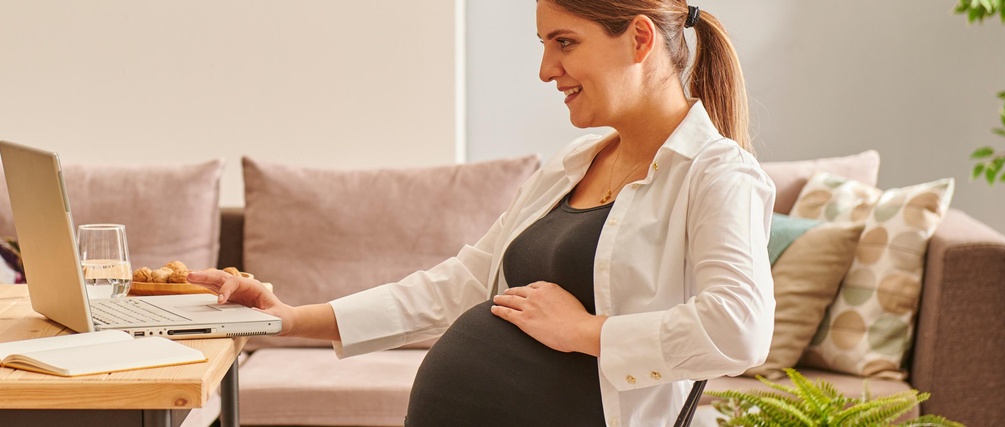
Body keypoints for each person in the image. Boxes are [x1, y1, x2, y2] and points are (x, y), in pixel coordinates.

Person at [188, 0, 775, 425]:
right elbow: (463, 282)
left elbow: (739, 328)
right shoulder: (575, 162)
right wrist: (290, 318)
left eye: (564, 42)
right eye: (543, 45)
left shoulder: (717, 174)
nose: (546, 69)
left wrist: (586, 332)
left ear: (639, 39)